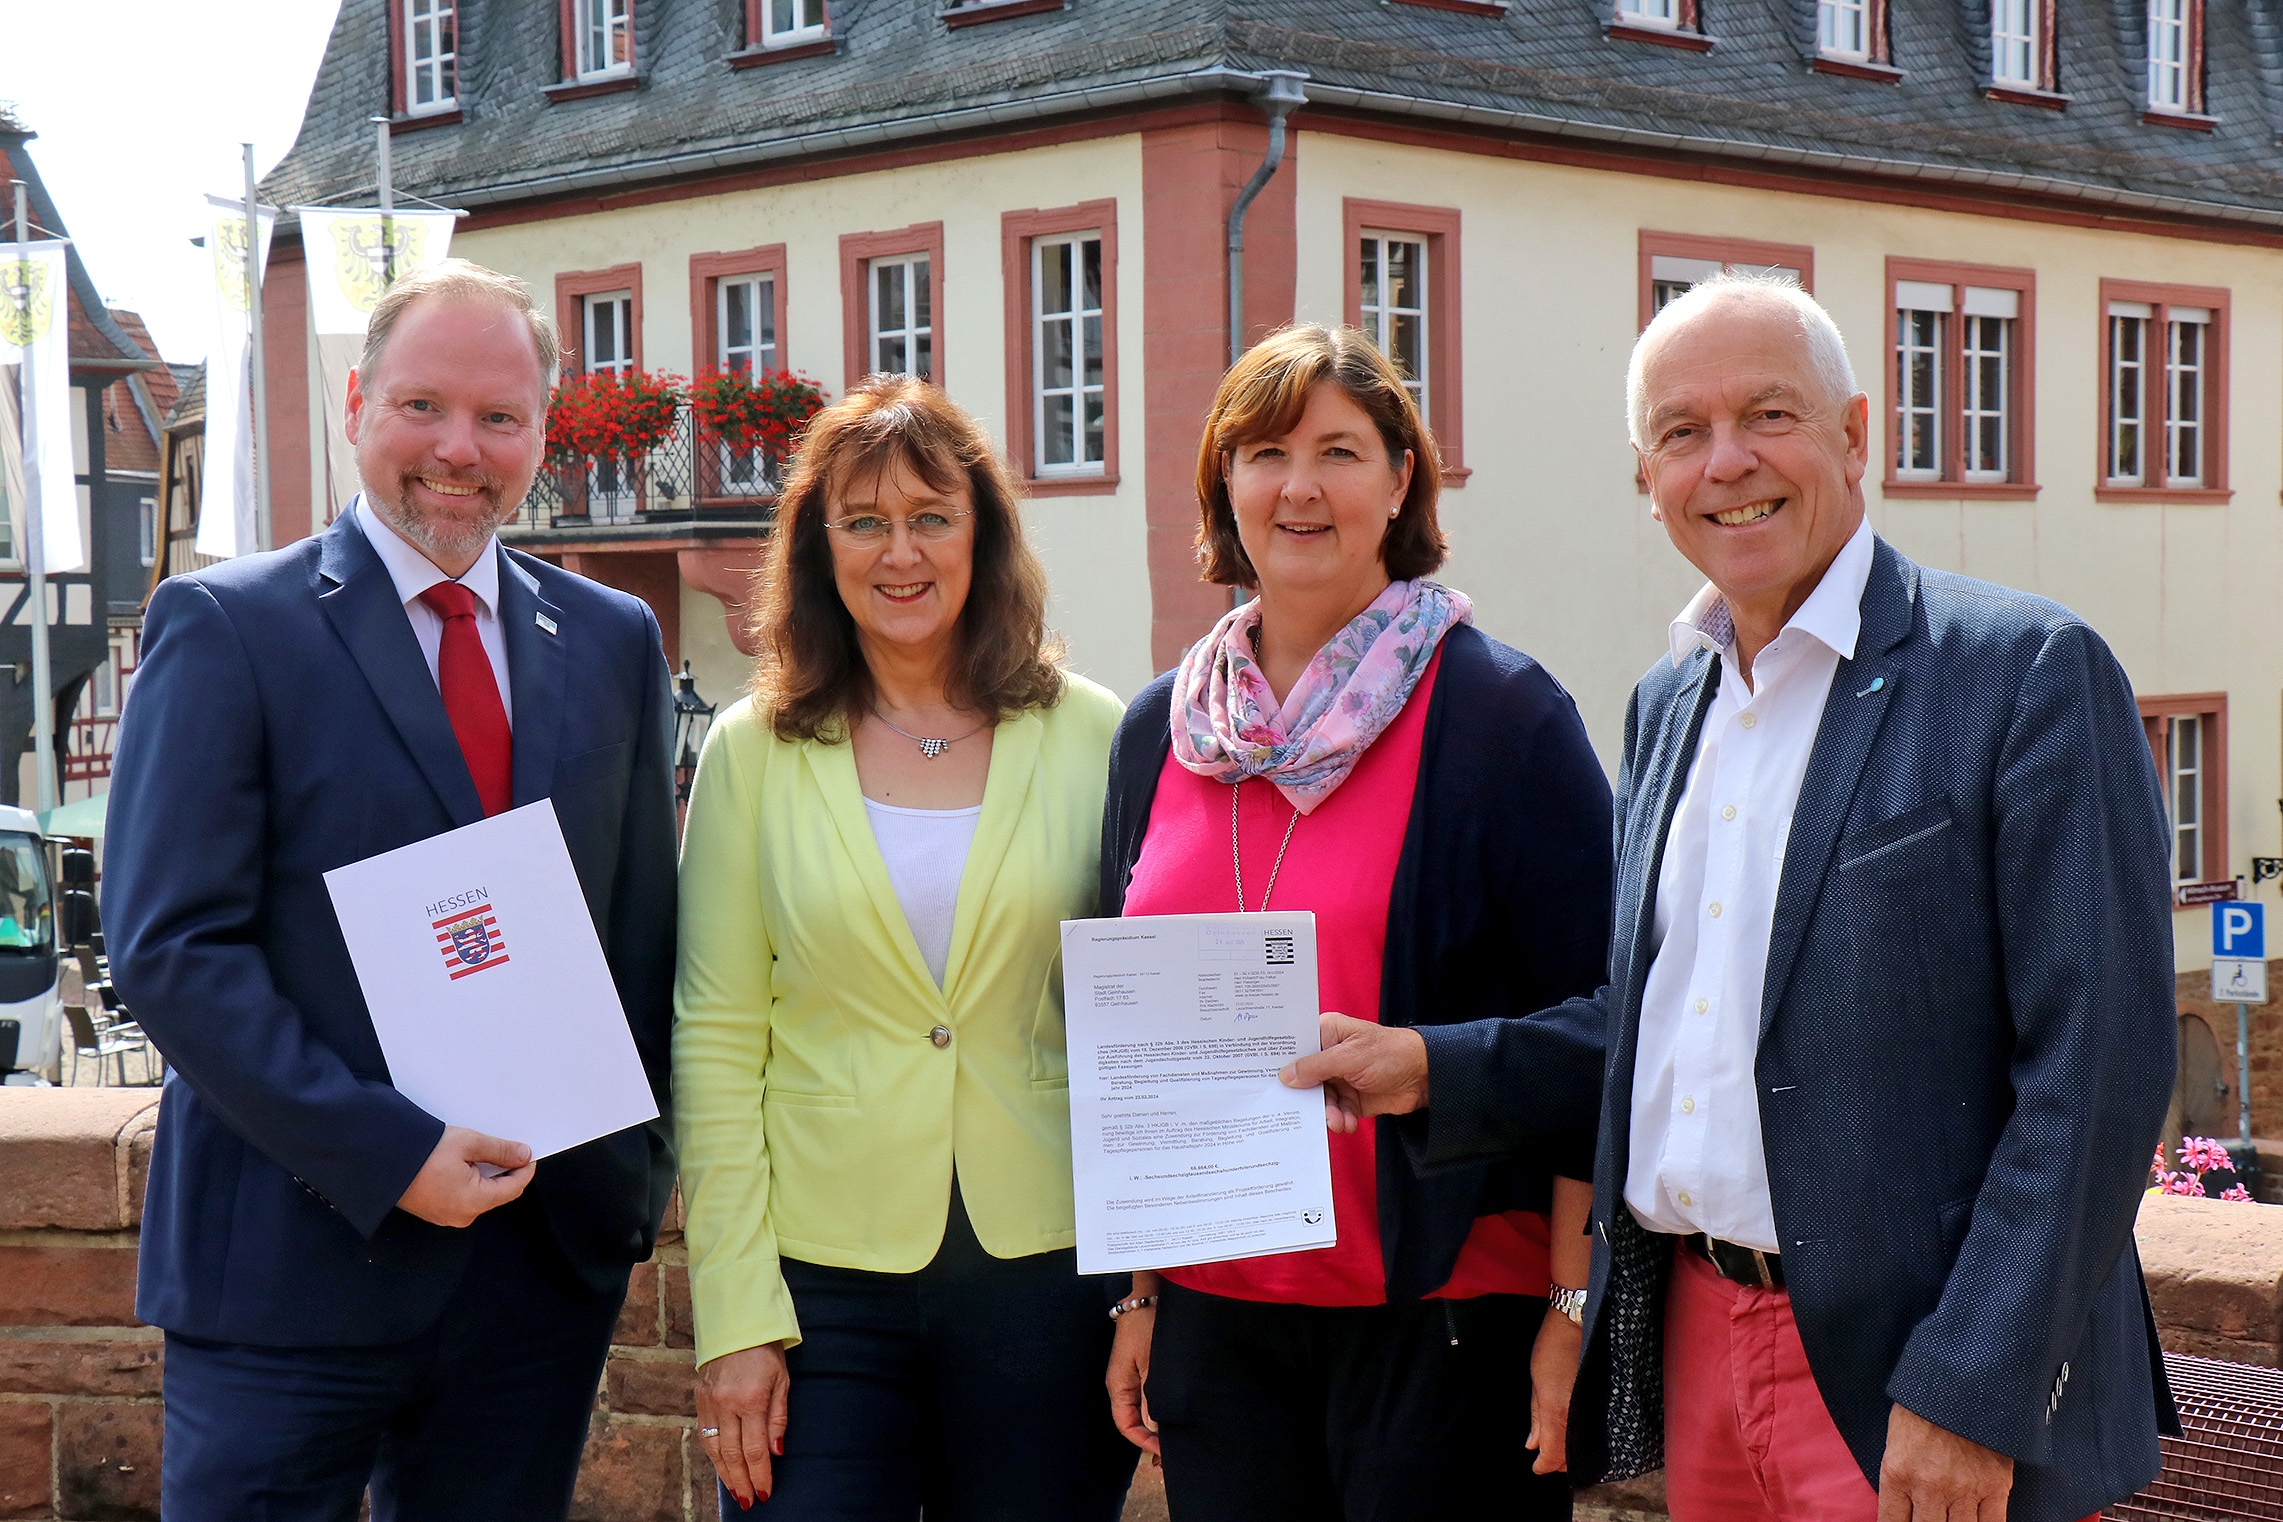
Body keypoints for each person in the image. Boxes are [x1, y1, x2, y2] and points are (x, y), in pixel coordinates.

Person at [1285, 273, 2179, 1522]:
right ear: (1644, 476)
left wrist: (1973, 1384)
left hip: (1907, 1373)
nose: (1728, 463)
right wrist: (1433, 1065)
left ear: (1856, 435)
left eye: (1770, 415)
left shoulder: (2021, 672)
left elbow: (2100, 1067)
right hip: (1703, 1339)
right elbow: (1664, 1024)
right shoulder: (1670, 703)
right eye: (1682, 433)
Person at [104, 259, 679, 1521]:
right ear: (358, 403)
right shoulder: (225, 626)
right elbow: (169, 949)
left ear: (542, 431)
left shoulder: (610, 641)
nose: (457, 451)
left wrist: (626, 1194)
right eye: (423, 406)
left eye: (498, 417)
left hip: (533, 1281)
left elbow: (635, 935)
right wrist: (390, 1151)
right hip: (286, 1266)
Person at [1097, 325, 1611, 1521]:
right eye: (1266, 452)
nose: (1302, 486)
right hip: (1218, 1331)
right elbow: (1135, 1048)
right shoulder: (1162, 729)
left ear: (1400, 484)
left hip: (1441, 1333)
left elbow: (1607, 1030)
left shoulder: (1502, 716)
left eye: (1341, 451)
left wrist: (1570, 1308)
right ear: (1225, 485)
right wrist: (1142, 1295)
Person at [674, 376, 1138, 1520]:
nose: (901, 553)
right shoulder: (751, 750)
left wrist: (1149, 1288)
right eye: (865, 520)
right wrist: (734, 1313)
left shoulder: (1098, 733)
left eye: (932, 517)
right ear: (817, 544)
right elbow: (719, 1037)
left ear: (983, 536)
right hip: (818, 1290)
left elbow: (1140, 1027)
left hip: (1051, 1273)